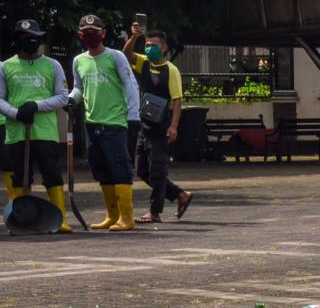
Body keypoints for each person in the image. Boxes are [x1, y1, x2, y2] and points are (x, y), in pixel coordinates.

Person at [67, 14, 139, 231]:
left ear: (103, 34)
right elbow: (79, 88)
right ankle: (112, 215)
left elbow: (130, 84)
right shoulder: (79, 61)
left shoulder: (116, 57)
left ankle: (127, 217)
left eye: (95, 33)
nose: (91, 36)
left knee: (120, 169)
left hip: (115, 122)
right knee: (101, 170)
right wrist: (71, 99)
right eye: (86, 33)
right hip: (92, 122)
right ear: (80, 35)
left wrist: (133, 115)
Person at [0, 19, 71, 231]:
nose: (32, 43)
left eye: (35, 39)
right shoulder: (5, 67)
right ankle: (21, 220)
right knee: (20, 176)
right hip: (17, 131)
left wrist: (36, 105)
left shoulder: (52, 65)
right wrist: (16, 112)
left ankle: (61, 219)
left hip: (46, 131)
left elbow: (62, 97)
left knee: (52, 174)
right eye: (26, 39)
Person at [122, 23, 193, 223]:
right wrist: (134, 37)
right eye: (146, 44)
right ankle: (180, 194)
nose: (149, 48)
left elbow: (177, 100)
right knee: (141, 169)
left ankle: (154, 212)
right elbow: (126, 55)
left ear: (163, 48)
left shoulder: (171, 70)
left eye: (153, 45)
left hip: (161, 127)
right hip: (144, 125)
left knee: (157, 170)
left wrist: (173, 127)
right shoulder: (144, 63)